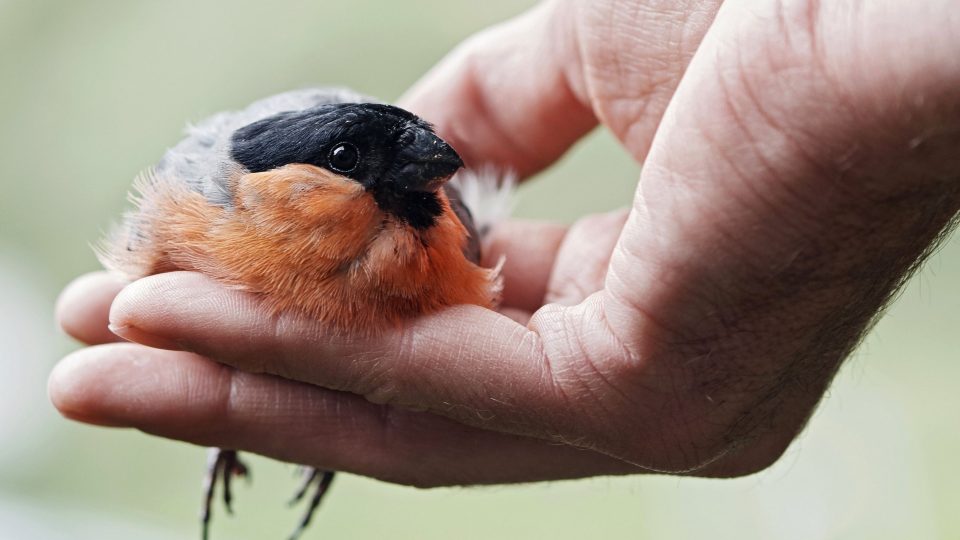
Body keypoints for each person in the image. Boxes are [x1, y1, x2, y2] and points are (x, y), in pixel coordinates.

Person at [50, 0, 960, 483]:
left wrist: (827, 58)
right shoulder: (186, 215)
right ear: (270, 193)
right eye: (351, 161)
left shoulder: (436, 235)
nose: (437, 187)